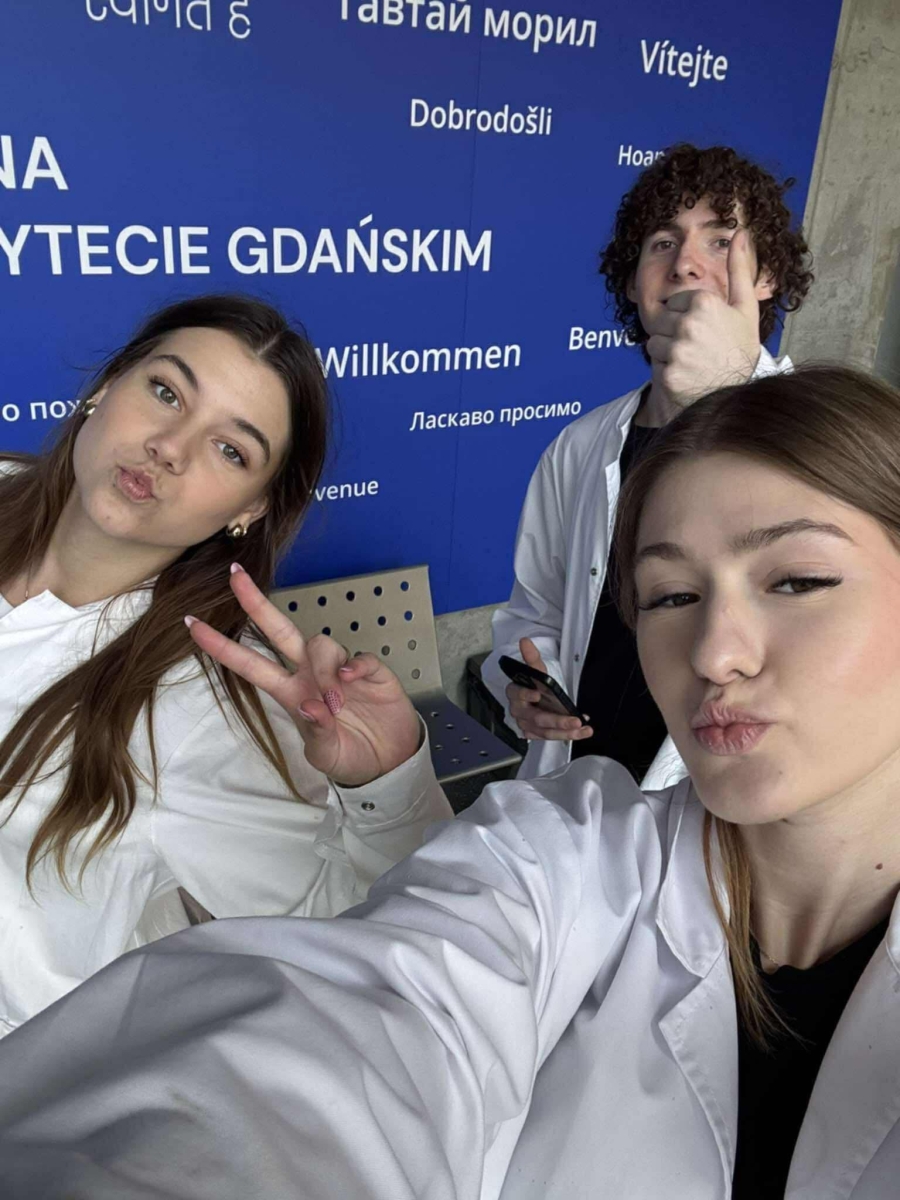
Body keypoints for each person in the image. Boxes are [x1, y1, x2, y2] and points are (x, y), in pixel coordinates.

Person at [1, 365, 899, 1199]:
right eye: (671, 596)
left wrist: (388, 784)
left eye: (799, 580)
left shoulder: (199, 711)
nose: (714, 653)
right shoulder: (561, 855)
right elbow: (361, 1025)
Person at [0, 293, 451, 1039]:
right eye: (166, 392)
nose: (169, 448)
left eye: (230, 450)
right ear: (107, 386)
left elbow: (364, 935)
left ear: (250, 509)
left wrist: (388, 784)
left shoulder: (201, 711)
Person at [482, 143, 814, 785]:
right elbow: (536, 610)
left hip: (724, 800)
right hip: (577, 791)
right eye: (662, 242)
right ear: (634, 281)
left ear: (766, 274)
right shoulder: (580, 445)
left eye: (720, 241)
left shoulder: (825, 439)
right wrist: (522, 686)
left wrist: (729, 386)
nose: (685, 263)